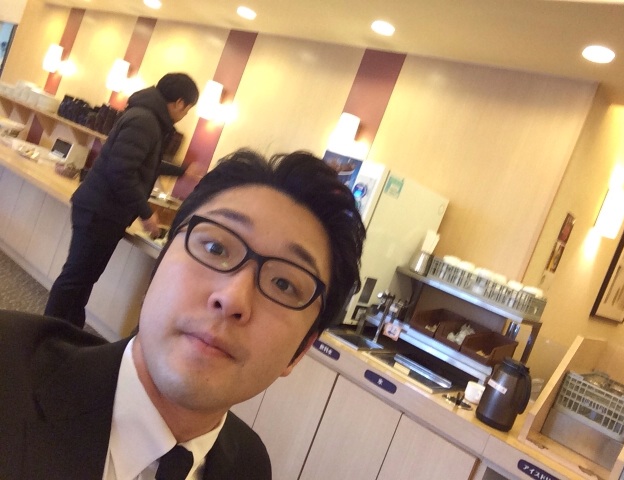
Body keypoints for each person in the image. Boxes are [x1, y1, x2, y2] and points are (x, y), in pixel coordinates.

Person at [0, 149, 366, 480]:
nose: (232, 298)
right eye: (215, 247)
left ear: (300, 351)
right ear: (157, 270)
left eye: (284, 284)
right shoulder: (9, 372)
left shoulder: (250, 466)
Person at [45, 72, 201, 328]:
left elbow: (145, 162)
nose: (185, 114)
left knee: (83, 280)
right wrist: (146, 213)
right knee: (74, 279)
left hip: (103, 211)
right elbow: (121, 171)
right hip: (99, 211)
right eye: (188, 109)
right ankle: (45, 335)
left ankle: (68, 333)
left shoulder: (148, 118)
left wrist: (182, 171)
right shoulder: (145, 121)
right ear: (179, 103)